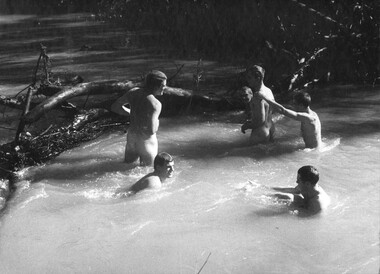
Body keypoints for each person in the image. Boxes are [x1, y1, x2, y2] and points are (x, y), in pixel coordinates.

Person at [111, 70, 167, 165]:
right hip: (146, 142)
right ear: (156, 86)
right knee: (147, 172)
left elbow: (115, 107)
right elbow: (151, 130)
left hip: (132, 138)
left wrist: (131, 113)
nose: (164, 88)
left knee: (126, 168)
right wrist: (157, 122)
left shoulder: (133, 92)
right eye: (163, 86)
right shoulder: (156, 104)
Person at [257, 90, 322, 149]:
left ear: (301, 105)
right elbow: (286, 108)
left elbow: (283, 111)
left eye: (295, 104)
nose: (293, 106)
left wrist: (264, 97)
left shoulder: (308, 118)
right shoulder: (313, 114)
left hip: (313, 150)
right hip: (317, 147)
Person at [240, 65, 275, 144]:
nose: (247, 80)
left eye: (250, 77)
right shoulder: (268, 91)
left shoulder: (257, 96)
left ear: (258, 78)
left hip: (260, 133)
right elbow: (272, 111)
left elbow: (260, 121)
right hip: (270, 129)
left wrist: (246, 126)